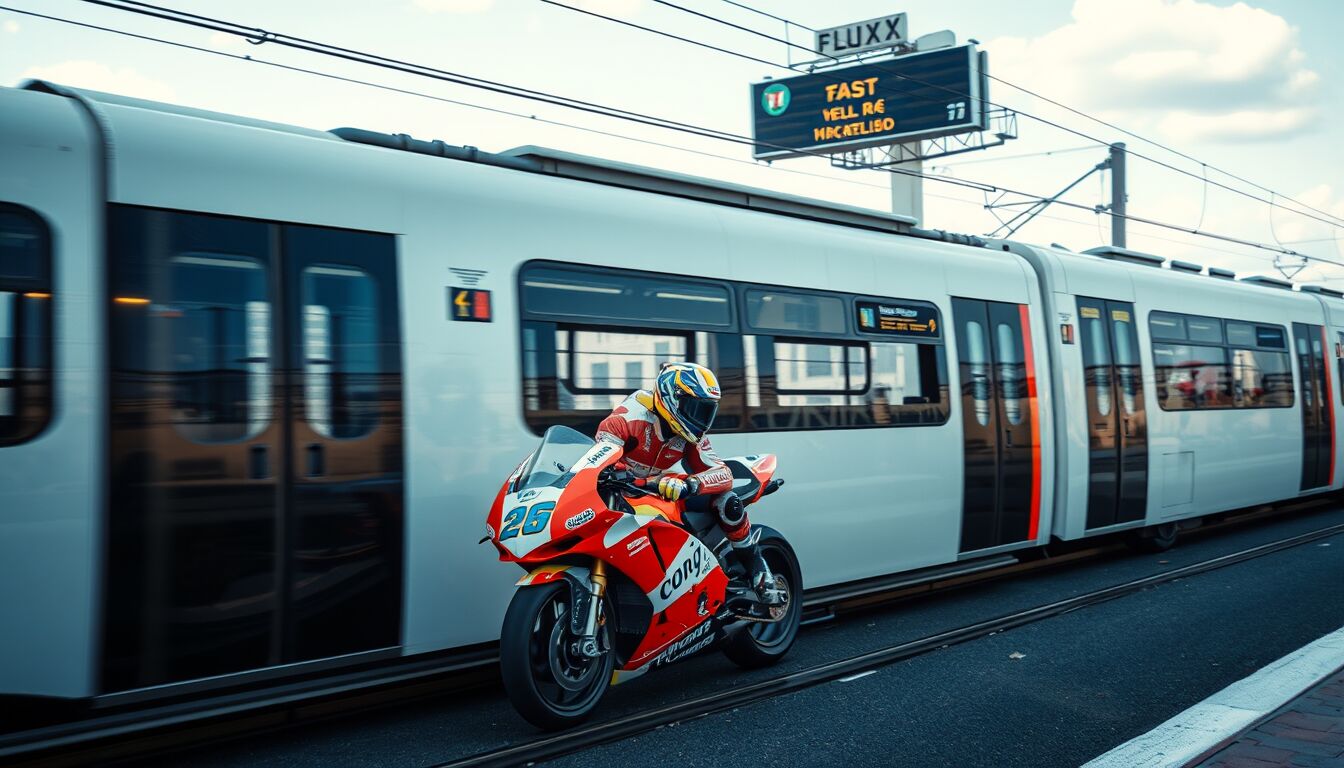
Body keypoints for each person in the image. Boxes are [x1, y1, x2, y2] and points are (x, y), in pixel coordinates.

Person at [596, 362, 778, 603]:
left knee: (728, 501)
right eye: (694, 408)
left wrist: (690, 485)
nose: (700, 419)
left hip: (662, 491)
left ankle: (757, 566)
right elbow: (597, 461)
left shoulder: (690, 433)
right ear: (672, 397)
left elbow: (723, 474)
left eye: (706, 411)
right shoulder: (626, 419)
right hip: (621, 492)